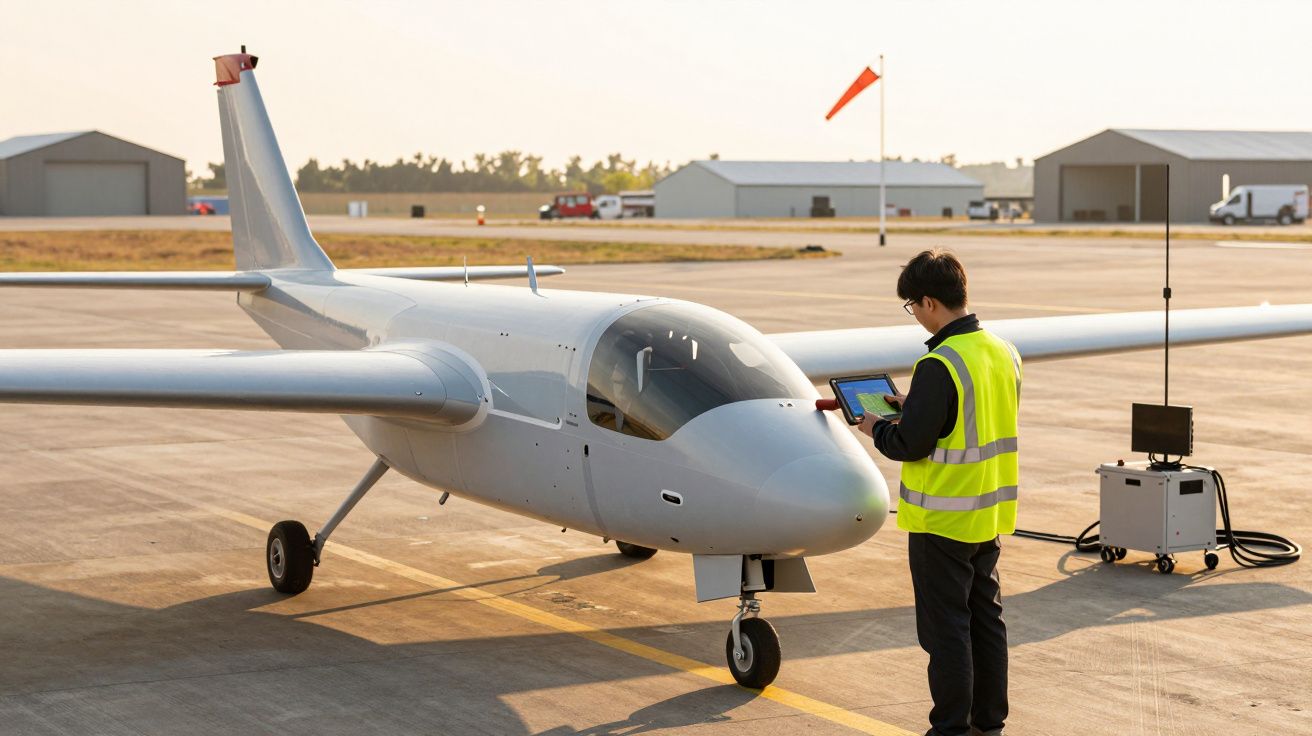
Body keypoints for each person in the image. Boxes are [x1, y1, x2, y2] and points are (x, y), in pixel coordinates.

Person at [856, 248, 1022, 736]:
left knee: (945, 629)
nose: (915, 317)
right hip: (988, 513)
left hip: (941, 519)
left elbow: (910, 443)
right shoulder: (1001, 350)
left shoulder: (940, 363)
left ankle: (949, 726)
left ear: (928, 302)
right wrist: (917, 404)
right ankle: (988, 721)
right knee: (985, 618)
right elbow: (972, 417)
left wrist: (874, 426)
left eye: (912, 307)